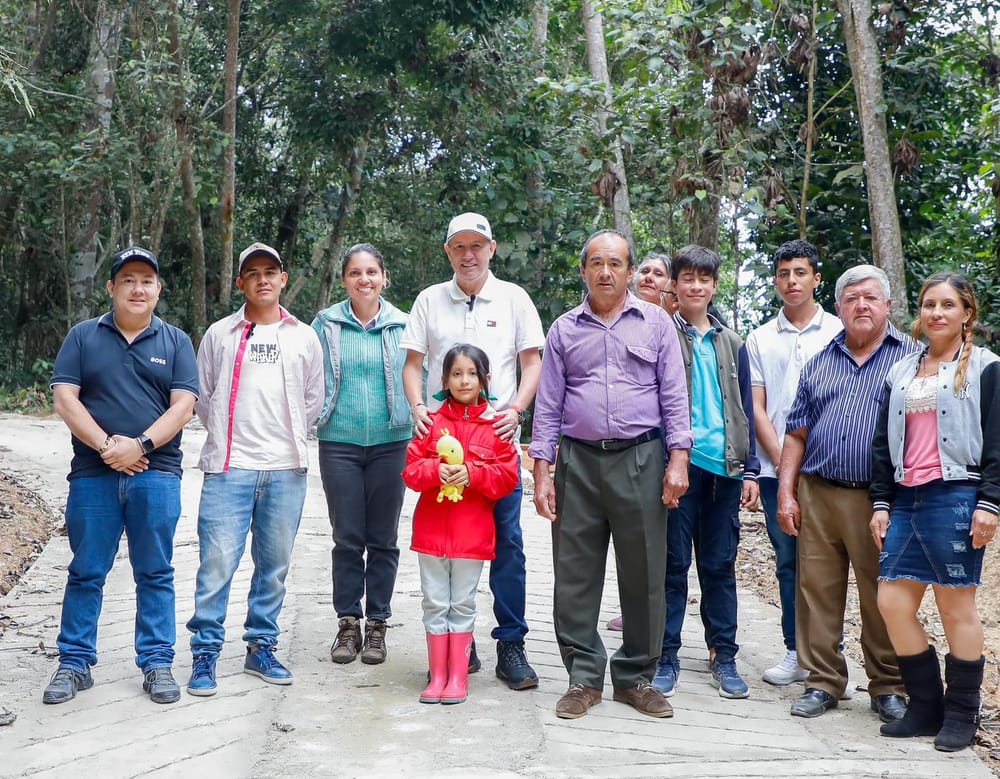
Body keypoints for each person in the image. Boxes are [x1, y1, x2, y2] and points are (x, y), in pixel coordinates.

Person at [530, 229, 692, 720]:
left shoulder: (658, 324)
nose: (605, 271)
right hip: (577, 463)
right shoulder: (563, 329)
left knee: (644, 572)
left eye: (615, 263)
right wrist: (542, 471)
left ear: (628, 270)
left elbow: (674, 395)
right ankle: (583, 677)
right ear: (583, 271)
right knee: (574, 573)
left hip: (641, 459)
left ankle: (636, 677)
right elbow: (549, 404)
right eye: (596, 263)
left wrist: (678, 459)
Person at [45, 246, 198, 705]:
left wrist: (141, 445)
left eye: (146, 280)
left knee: (155, 571)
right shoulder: (82, 336)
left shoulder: (176, 342)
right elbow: (65, 399)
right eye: (128, 279)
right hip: (93, 475)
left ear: (158, 290)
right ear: (111, 288)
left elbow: (184, 406)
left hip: (158, 474)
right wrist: (108, 446)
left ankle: (156, 663)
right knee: (86, 571)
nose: (138, 288)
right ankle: (74, 663)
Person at [401, 212, 544, 690]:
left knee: (507, 543)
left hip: (493, 438)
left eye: (477, 245)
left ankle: (511, 644)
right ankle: (461, 649)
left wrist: (517, 409)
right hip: (443, 436)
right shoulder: (428, 300)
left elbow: (531, 362)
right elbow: (413, 364)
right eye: (459, 246)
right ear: (448, 251)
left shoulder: (514, 298)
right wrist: (419, 406)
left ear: (492, 248)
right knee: (448, 540)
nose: (469, 254)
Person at [777, 264, 915, 721]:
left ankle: (888, 684)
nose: (861, 305)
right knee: (816, 591)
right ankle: (823, 681)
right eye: (851, 298)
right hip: (817, 492)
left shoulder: (912, 360)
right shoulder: (821, 360)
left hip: (880, 500)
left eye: (870, 297)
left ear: (888, 305)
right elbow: (795, 433)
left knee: (883, 594)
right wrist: (786, 494)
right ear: (838, 307)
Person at [186, 242, 323, 696]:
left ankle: (260, 645)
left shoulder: (303, 335)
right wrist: (229, 438)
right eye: (253, 273)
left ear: (283, 279)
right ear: (240, 282)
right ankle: (205, 652)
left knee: (275, 564)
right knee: (217, 563)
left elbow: (313, 399)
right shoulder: (219, 335)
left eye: (271, 271)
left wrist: (288, 442)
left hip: (286, 470)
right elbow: (202, 397)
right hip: (230, 467)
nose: (263, 279)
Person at [870, 272, 998, 751]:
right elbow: (883, 444)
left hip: (959, 495)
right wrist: (881, 502)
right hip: (907, 497)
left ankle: (963, 714)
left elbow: (998, 441)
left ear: (967, 313)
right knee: (893, 602)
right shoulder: (901, 371)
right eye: (928, 305)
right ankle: (925, 706)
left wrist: (990, 502)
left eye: (947, 305)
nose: (936, 313)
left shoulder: (986, 367)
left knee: (954, 604)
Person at [654, 245, 759, 700]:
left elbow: (745, 410)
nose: (695, 286)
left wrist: (751, 468)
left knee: (719, 566)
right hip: (679, 468)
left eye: (704, 279)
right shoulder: (662, 334)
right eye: (687, 278)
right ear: (673, 285)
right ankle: (666, 655)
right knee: (672, 566)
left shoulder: (731, 341)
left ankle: (725, 655)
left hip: (725, 469)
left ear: (714, 286)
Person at [745, 240, 842, 685]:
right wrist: (785, 462)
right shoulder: (760, 337)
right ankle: (793, 650)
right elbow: (758, 408)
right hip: (773, 471)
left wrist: (810, 460)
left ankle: (829, 653)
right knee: (788, 561)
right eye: (784, 273)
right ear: (775, 280)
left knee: (827, 565)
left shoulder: (840, 333)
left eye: (800, 273)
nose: (792, 281)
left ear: (816, 278)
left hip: (829, 471)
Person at [403, 344, 520, 705]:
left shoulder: (496, 426)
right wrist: (435, 471)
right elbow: (410, 470)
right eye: (456, 373)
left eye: (471, 373)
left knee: (464, 603)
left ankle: (458, 676)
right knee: (435, 602)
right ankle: (437, 674)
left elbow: (508, 477)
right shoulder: (431, 424)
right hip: (431, 533)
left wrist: (473, 473)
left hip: (472, 534)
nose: (464, 380)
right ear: (444, 380)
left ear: (485, 379)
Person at [313, 244, 412, 666]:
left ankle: (377, 625)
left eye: (372, 272)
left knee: (384, 538)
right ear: (344, 280)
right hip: (339, 441)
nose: (364, 280)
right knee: (347, 536)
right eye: (355, 273)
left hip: (393, 442)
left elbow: (422, 378)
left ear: (384, 278)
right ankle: (348, 624)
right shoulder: (326, 324)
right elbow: (307, 374)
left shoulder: (404, 325)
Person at [606, 252, 680, 634]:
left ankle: (661, 627)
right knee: (633, 538)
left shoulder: (674, 327)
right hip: (630, 452)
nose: (651, 278)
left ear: (672, 285)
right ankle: (636, 612)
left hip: (671, 447)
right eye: (646, 271)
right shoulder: (606, 322)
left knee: (667, 546)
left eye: (659, 273)